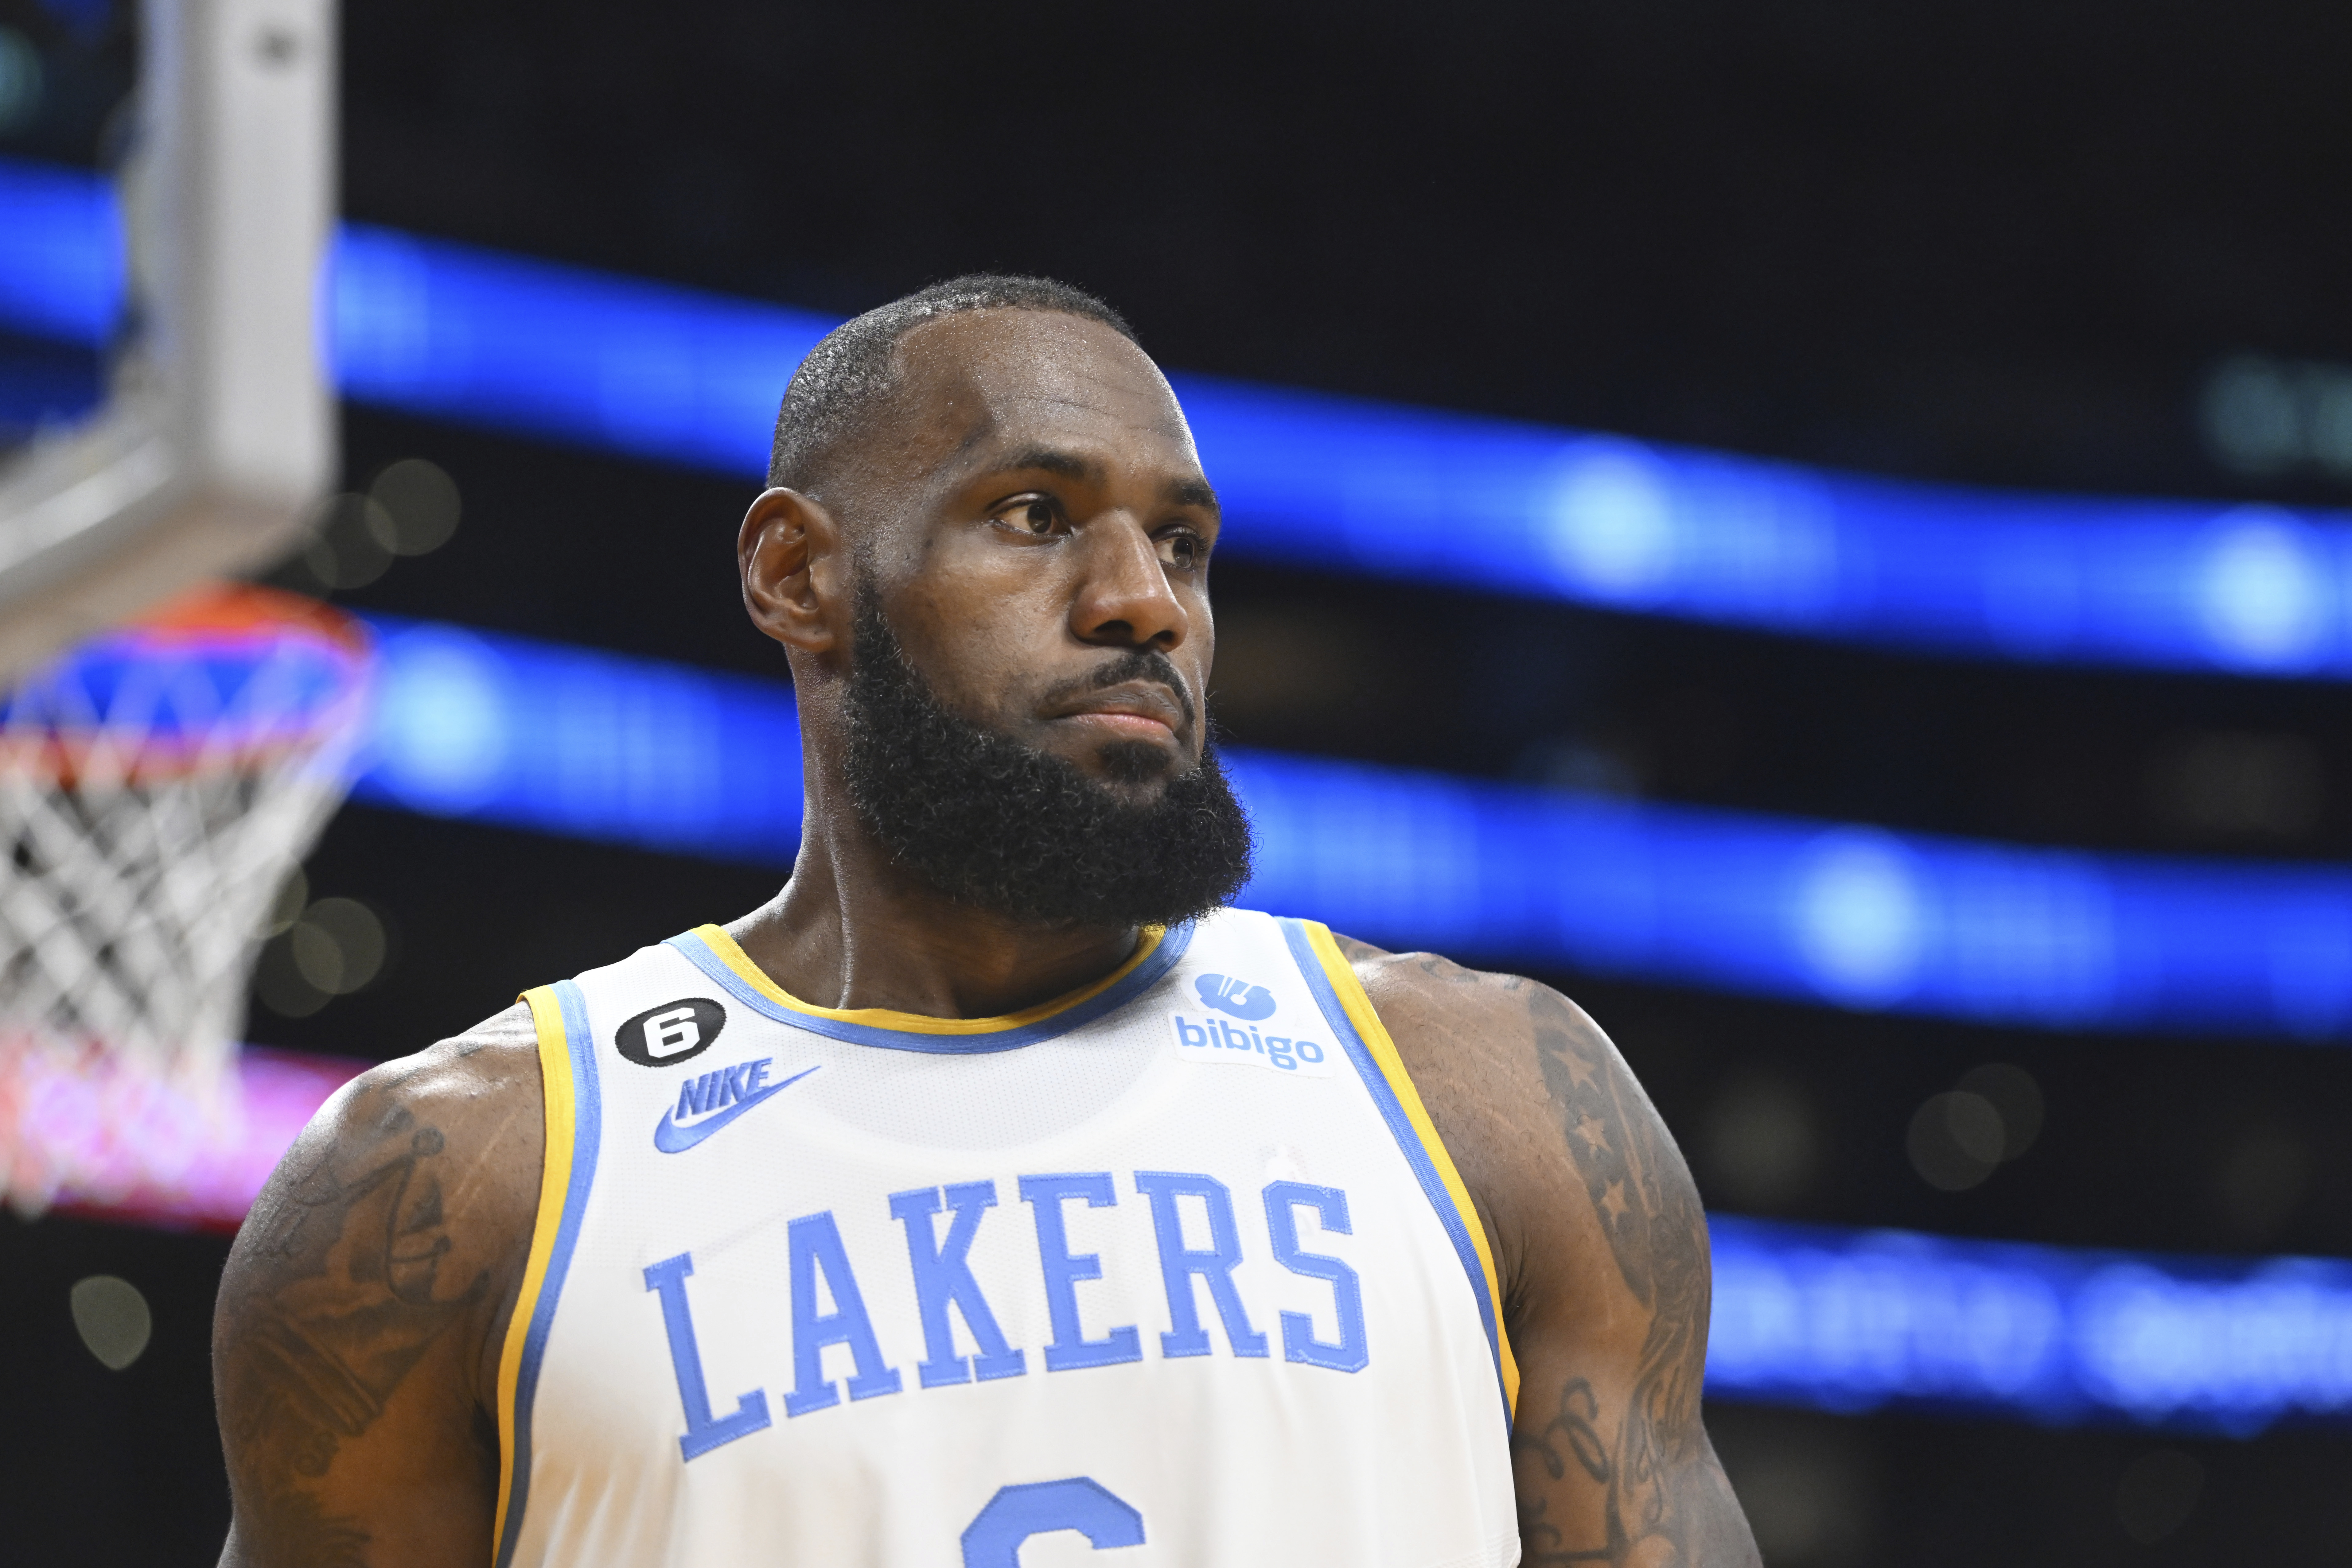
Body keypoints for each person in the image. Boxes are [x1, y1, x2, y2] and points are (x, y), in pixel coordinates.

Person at [212, 276, 1762, 1568]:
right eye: (1036, 515)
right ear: (798, 573)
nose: (1142, 599)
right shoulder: (460, 1184)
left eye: (1183, 544)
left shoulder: (1492, 1096)